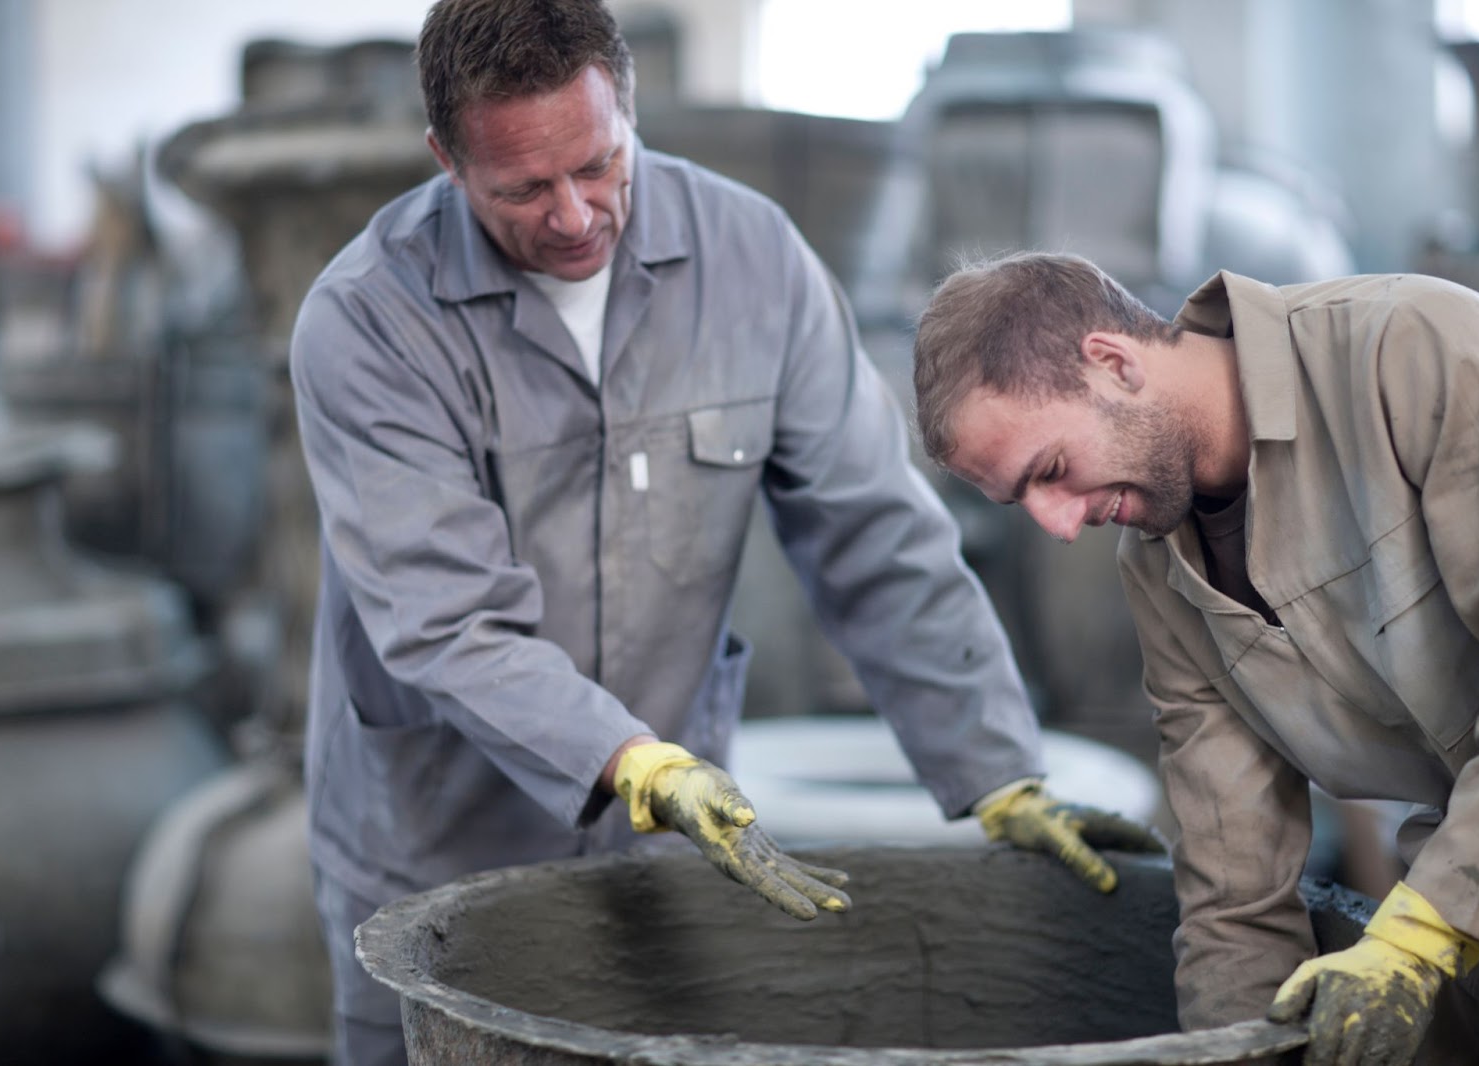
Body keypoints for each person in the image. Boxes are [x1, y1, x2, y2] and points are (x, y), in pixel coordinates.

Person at [288, 5, 1161, 1063]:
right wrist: (632, 762)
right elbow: (444, 618)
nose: (572, 215)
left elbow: (873, 532)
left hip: (665, 850)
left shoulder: (753, 262)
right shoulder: (370, 321)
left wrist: (996, 765)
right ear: (445, 158)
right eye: (521, 188)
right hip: (434, 839)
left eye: (598, 165)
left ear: (629, 106)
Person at [910, 250, 1479, 1066]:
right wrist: (1236, 1051)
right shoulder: (1160, 571)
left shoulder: (1408, 352)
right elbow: (1234, 886)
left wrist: (1423, 933)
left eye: (1051, 471)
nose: (1059, 525)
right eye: (1022, 500)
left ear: (1112, 363)